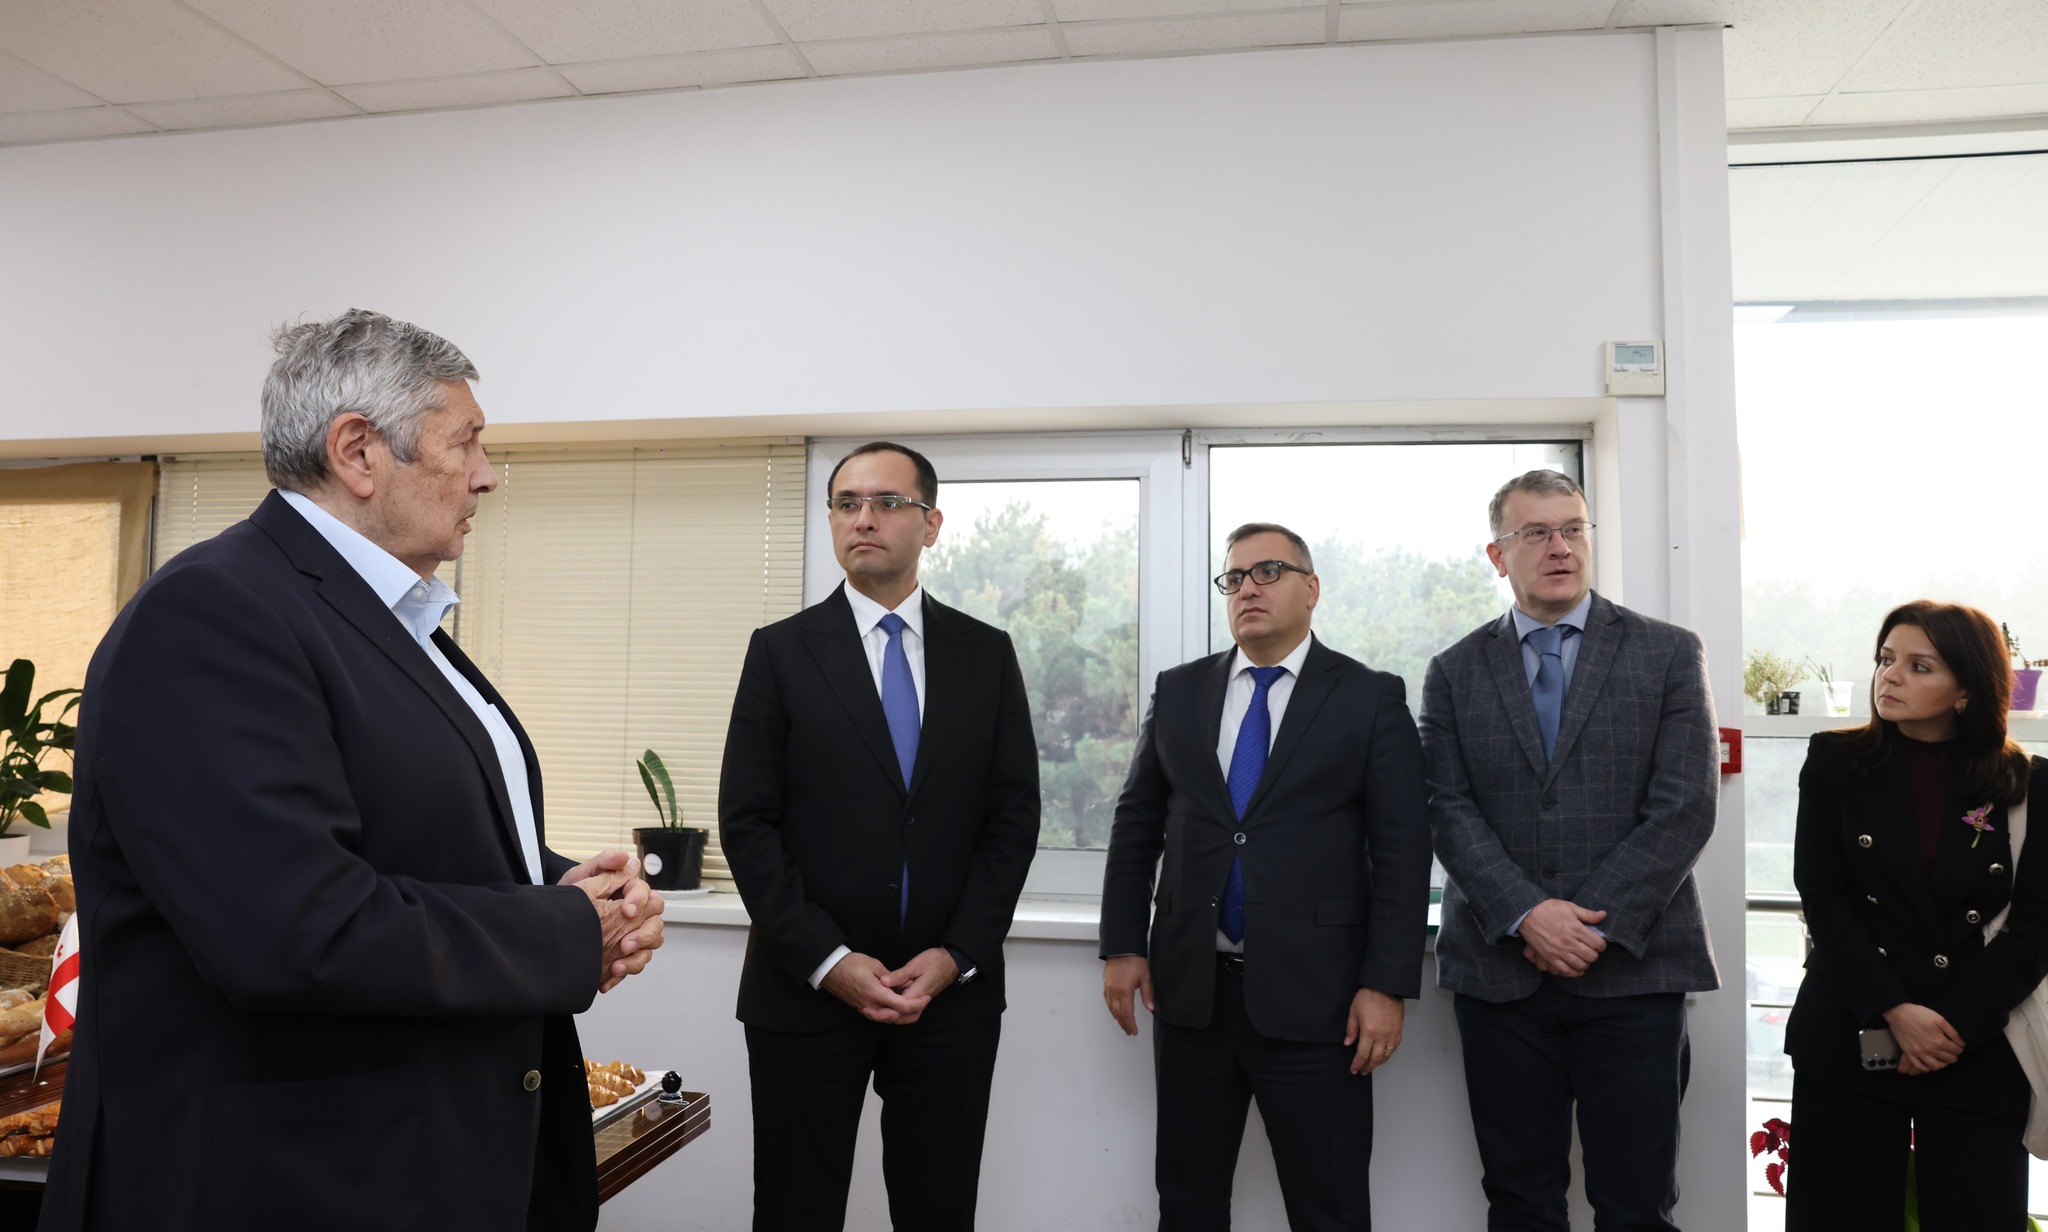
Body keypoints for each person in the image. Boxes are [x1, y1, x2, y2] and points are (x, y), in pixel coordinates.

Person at [38, 309, 663, 1232]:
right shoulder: (211, 614)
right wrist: (563, 931)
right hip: (286, 1184)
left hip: (416, 1161)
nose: (486, 474)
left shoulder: (390, 618)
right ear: (359, 452)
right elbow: (293, 928)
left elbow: (401, 840)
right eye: (466, 442)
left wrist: (568, 890)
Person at [718, 441, 1039, 1232]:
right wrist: (829, 961)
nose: (863, 518)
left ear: (930, 524)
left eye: (887, 502)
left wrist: (957, 954)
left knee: (939, 1211)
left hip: (948, 996)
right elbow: (747, 822)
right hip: (806, 992)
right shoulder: (780, 652)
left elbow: (1012, 820)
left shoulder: (986, 655)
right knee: (795, 1211)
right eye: (846, 503)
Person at [1099, 521, 1433, 1232]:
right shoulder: (1180, 691)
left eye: (1269, 572)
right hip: (1191, 998)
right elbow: (1136, 825)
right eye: (1234, 577)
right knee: (1187, 1205)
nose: (1248, 588)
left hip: (1321, 1004)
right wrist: (1122, 944)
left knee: (1330, 1209)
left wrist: (1386, 984)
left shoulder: (1369, 697)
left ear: (1312, 589)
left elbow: (1404, 849)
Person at [1421, 469, 1719, 1232]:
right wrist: (1528, 914)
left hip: (1634, 970)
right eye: (1536, 533)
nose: (1560, 547)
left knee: (1636, 1204)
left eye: (1573, 529)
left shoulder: (1668, 652)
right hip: (1501, 979)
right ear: (1498, 555)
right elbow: (1444, 806)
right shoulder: (1453, 671)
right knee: (1520, 1202)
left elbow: (1685, 805)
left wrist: (1585, 925)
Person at [1784, 600, 2048, 1232]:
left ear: (1967, 689)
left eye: (1919, 665)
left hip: (1977, 1043)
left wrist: (1951, 1026)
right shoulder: (1835, 761)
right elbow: (1822, 898)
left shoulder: (2028, 782)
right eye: (1886, 659)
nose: (1890, 676)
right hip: (1851, 1031)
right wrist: (1895, 1012)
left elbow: (2037, 926)